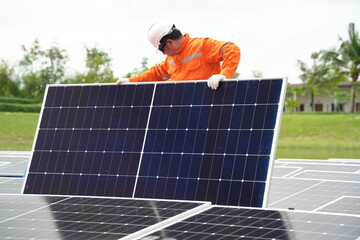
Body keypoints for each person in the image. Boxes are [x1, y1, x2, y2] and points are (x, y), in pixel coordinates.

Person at [116, 21, 241, 90]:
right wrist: (132, 81)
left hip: (207, 106)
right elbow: (156, 73)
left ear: (169, 42)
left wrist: (224, 75)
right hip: (183, 110)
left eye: (162, 50)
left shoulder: (201, 46)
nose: (164, 53)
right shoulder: (171, 59)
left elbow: (231, 49)